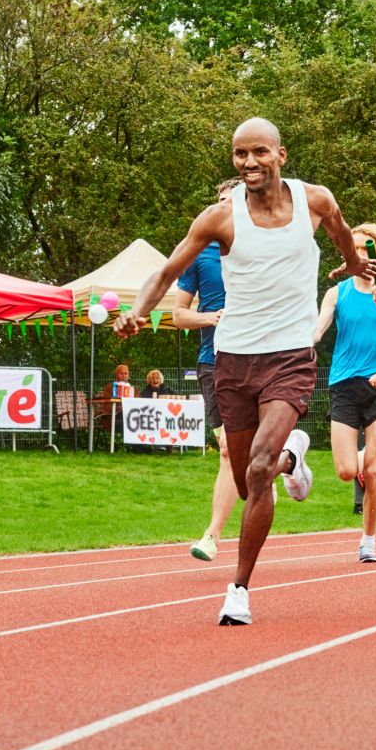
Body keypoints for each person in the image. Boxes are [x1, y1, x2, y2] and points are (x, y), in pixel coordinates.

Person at [116, 117, 371, 625]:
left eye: (258, 152)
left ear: (281, 154)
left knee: (256, 468)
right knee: (247, 472)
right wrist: (139, 311)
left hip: (291, 355)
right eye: (239, 155)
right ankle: (290, 460)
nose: (249, 163)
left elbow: (344, 235)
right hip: (232, 358)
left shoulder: (314, 201)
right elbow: (166, 272)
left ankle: (239, 588)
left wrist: (351, 266)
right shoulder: (219, 218)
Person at [314, 222, 376, 563]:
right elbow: (316, 331)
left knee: (372, 470)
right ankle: (366, 458)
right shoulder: (336, 293)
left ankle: (369, 540)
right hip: (343, 384)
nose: (360, 254)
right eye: (353, 248)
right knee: (346, 470)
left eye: (366, 248)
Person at [172, 177, 241, 562]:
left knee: (241, 451)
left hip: (257, 358)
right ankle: (214, 535)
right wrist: (209, 318)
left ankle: (213, 534)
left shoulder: (265, 247)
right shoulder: (200, 254)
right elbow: (177, 314)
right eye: (219, 201)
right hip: (213, 360)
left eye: (233, 201)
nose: (224, 206)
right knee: (230, 450)